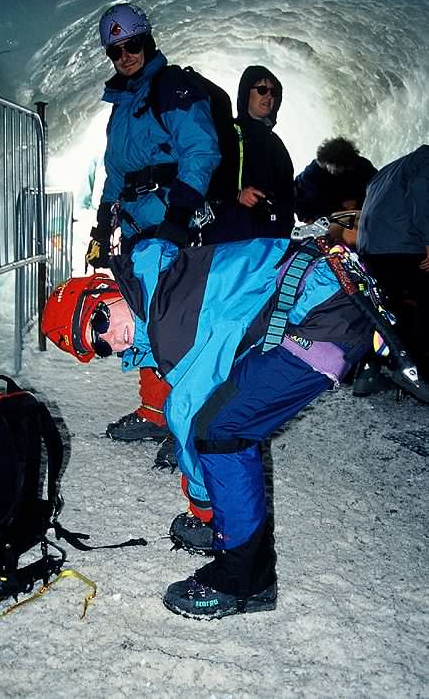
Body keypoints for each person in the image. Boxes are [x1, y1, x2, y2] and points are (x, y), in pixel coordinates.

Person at [43, 220, 421, 619]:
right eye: (100, 346)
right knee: (220, 418)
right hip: (323, 300)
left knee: (221, 430)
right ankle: (227, 530)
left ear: (107, 290)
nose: (111, 339)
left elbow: (188, 413)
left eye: (100, 321)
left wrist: (204, 508)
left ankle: (244, 581)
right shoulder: (159, 290)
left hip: (323, 317)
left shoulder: (170, 312)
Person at [85, 3, 220, 445]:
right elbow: (116, 171)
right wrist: (102, 224)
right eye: (115, 51)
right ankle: (155, 410)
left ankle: (193, 421)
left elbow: (201, 151)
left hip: (170, 226)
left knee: (181, 324)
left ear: (148, 41)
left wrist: (179, 217)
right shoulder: (123, 103)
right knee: (143, 318)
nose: (125, 56)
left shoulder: (172, 87)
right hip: (137, 230)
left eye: (133, 45)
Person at [353, 144, 429, 394]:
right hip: (398, 247)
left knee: (384, 308)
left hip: (370, 248)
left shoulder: (392, 168)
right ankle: (419, 373)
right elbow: (421, 192)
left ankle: (367, 373)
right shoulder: (425, 159)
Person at [203, 65, 294, 244]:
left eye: (273, 92)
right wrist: (236, 195)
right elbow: (202, 173)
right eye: (262, 90)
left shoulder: (277, 144)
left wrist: (284, 234)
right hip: (227, 236)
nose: (269, 96)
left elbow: (287, 194)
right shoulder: (226, 131)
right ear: (246, 93)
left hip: (270, 239)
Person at [294, 137, 377, 224]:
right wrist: (307, 219)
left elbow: (378, 186)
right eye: (339, 167)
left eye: (345, 167)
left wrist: (358, 201)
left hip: (363, 211)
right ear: (327, 163)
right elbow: (294, 198)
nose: (342, 169)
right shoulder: (310, 175)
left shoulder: (360, 165)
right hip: (328, 219)